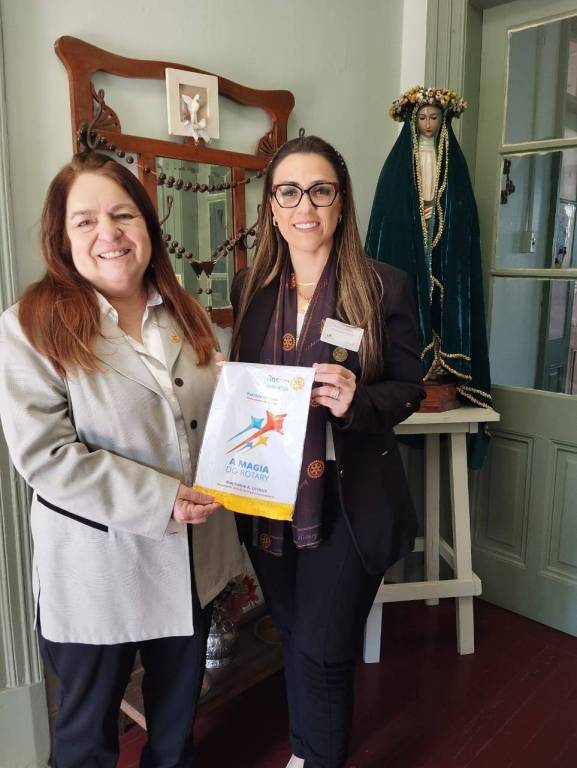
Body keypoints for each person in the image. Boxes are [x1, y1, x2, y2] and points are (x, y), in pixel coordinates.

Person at [0, 151, 243, 768]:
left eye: (123, 215)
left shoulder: (186, 312)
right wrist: (161, 498)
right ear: (61, 237)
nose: (108, 233)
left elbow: (208, 419)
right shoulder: (29, 327)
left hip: (190, 561)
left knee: (175, 730)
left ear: (147, 226)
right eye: (85, 221)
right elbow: (46, 455)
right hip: (99, 568)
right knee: (86, 739)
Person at [229, 135, 425, 768]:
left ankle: (316, 759)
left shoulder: (383, 286)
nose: (304, 206)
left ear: (341, 203)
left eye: (320, 190)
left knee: (323, 646)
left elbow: (410, 387)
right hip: (269, 493)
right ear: (272, 206)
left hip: (347, 497)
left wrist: (357, 399)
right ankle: (305, 752)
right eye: (289, 192)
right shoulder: (250, 288)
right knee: (294, 633)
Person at [365, 87, 493, 440]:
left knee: (442, 296)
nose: (427, 124)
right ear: (412, 119)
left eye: (434, 117)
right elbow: (387, 217)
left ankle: (440, 365)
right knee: (411, 293)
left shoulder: (453, 163)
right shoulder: (398, 165)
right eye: (421, 117)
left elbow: (462, 212)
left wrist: (442, 215)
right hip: (412, 243)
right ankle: (413, 365)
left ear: (443, 119)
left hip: (440, 238)